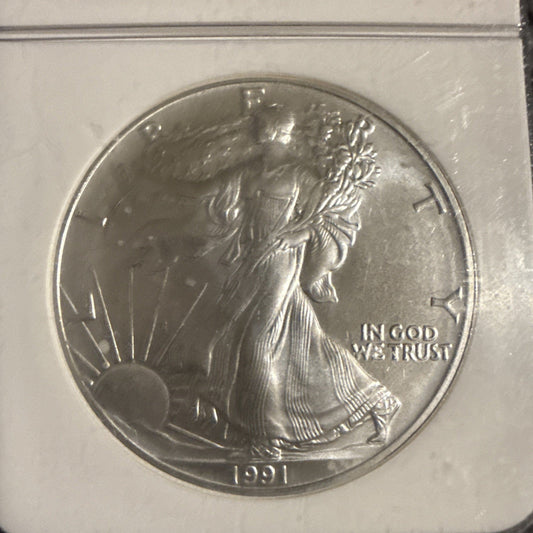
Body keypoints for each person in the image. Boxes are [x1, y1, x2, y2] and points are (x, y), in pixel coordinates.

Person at [172, 105, 400, 458]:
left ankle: (268, 440)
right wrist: (164, 182)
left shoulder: (300, 175)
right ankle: (376, 400)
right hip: (250, 262)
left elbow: (333, 216)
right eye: (258, 124)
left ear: (278, 131)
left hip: (280, 262)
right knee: (300, 341)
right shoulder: (248, 172)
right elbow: (206, 193)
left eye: (262, 125)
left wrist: (300, 234)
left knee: (257, 343)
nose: (257, 130)